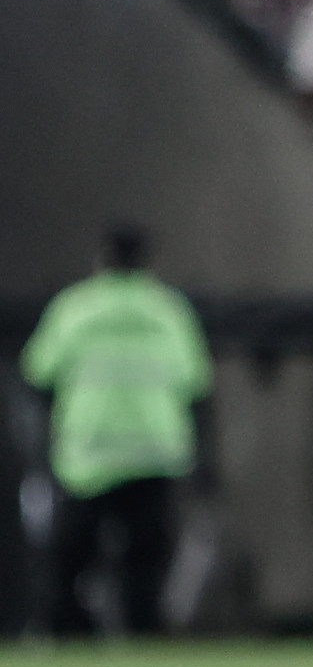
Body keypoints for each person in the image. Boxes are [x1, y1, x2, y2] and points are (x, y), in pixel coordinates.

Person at [22, 227, 211, 635]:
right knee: (145, 562)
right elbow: (197, 388)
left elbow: (38, 377)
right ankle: (142, 642)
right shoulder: (168, 310)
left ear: (101, 260)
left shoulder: (74, 308)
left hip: (88, 454)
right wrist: (206, 461)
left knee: (69, 559)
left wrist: (40, 452)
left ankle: (70, 636)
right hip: (153, 452)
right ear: (149, 262)